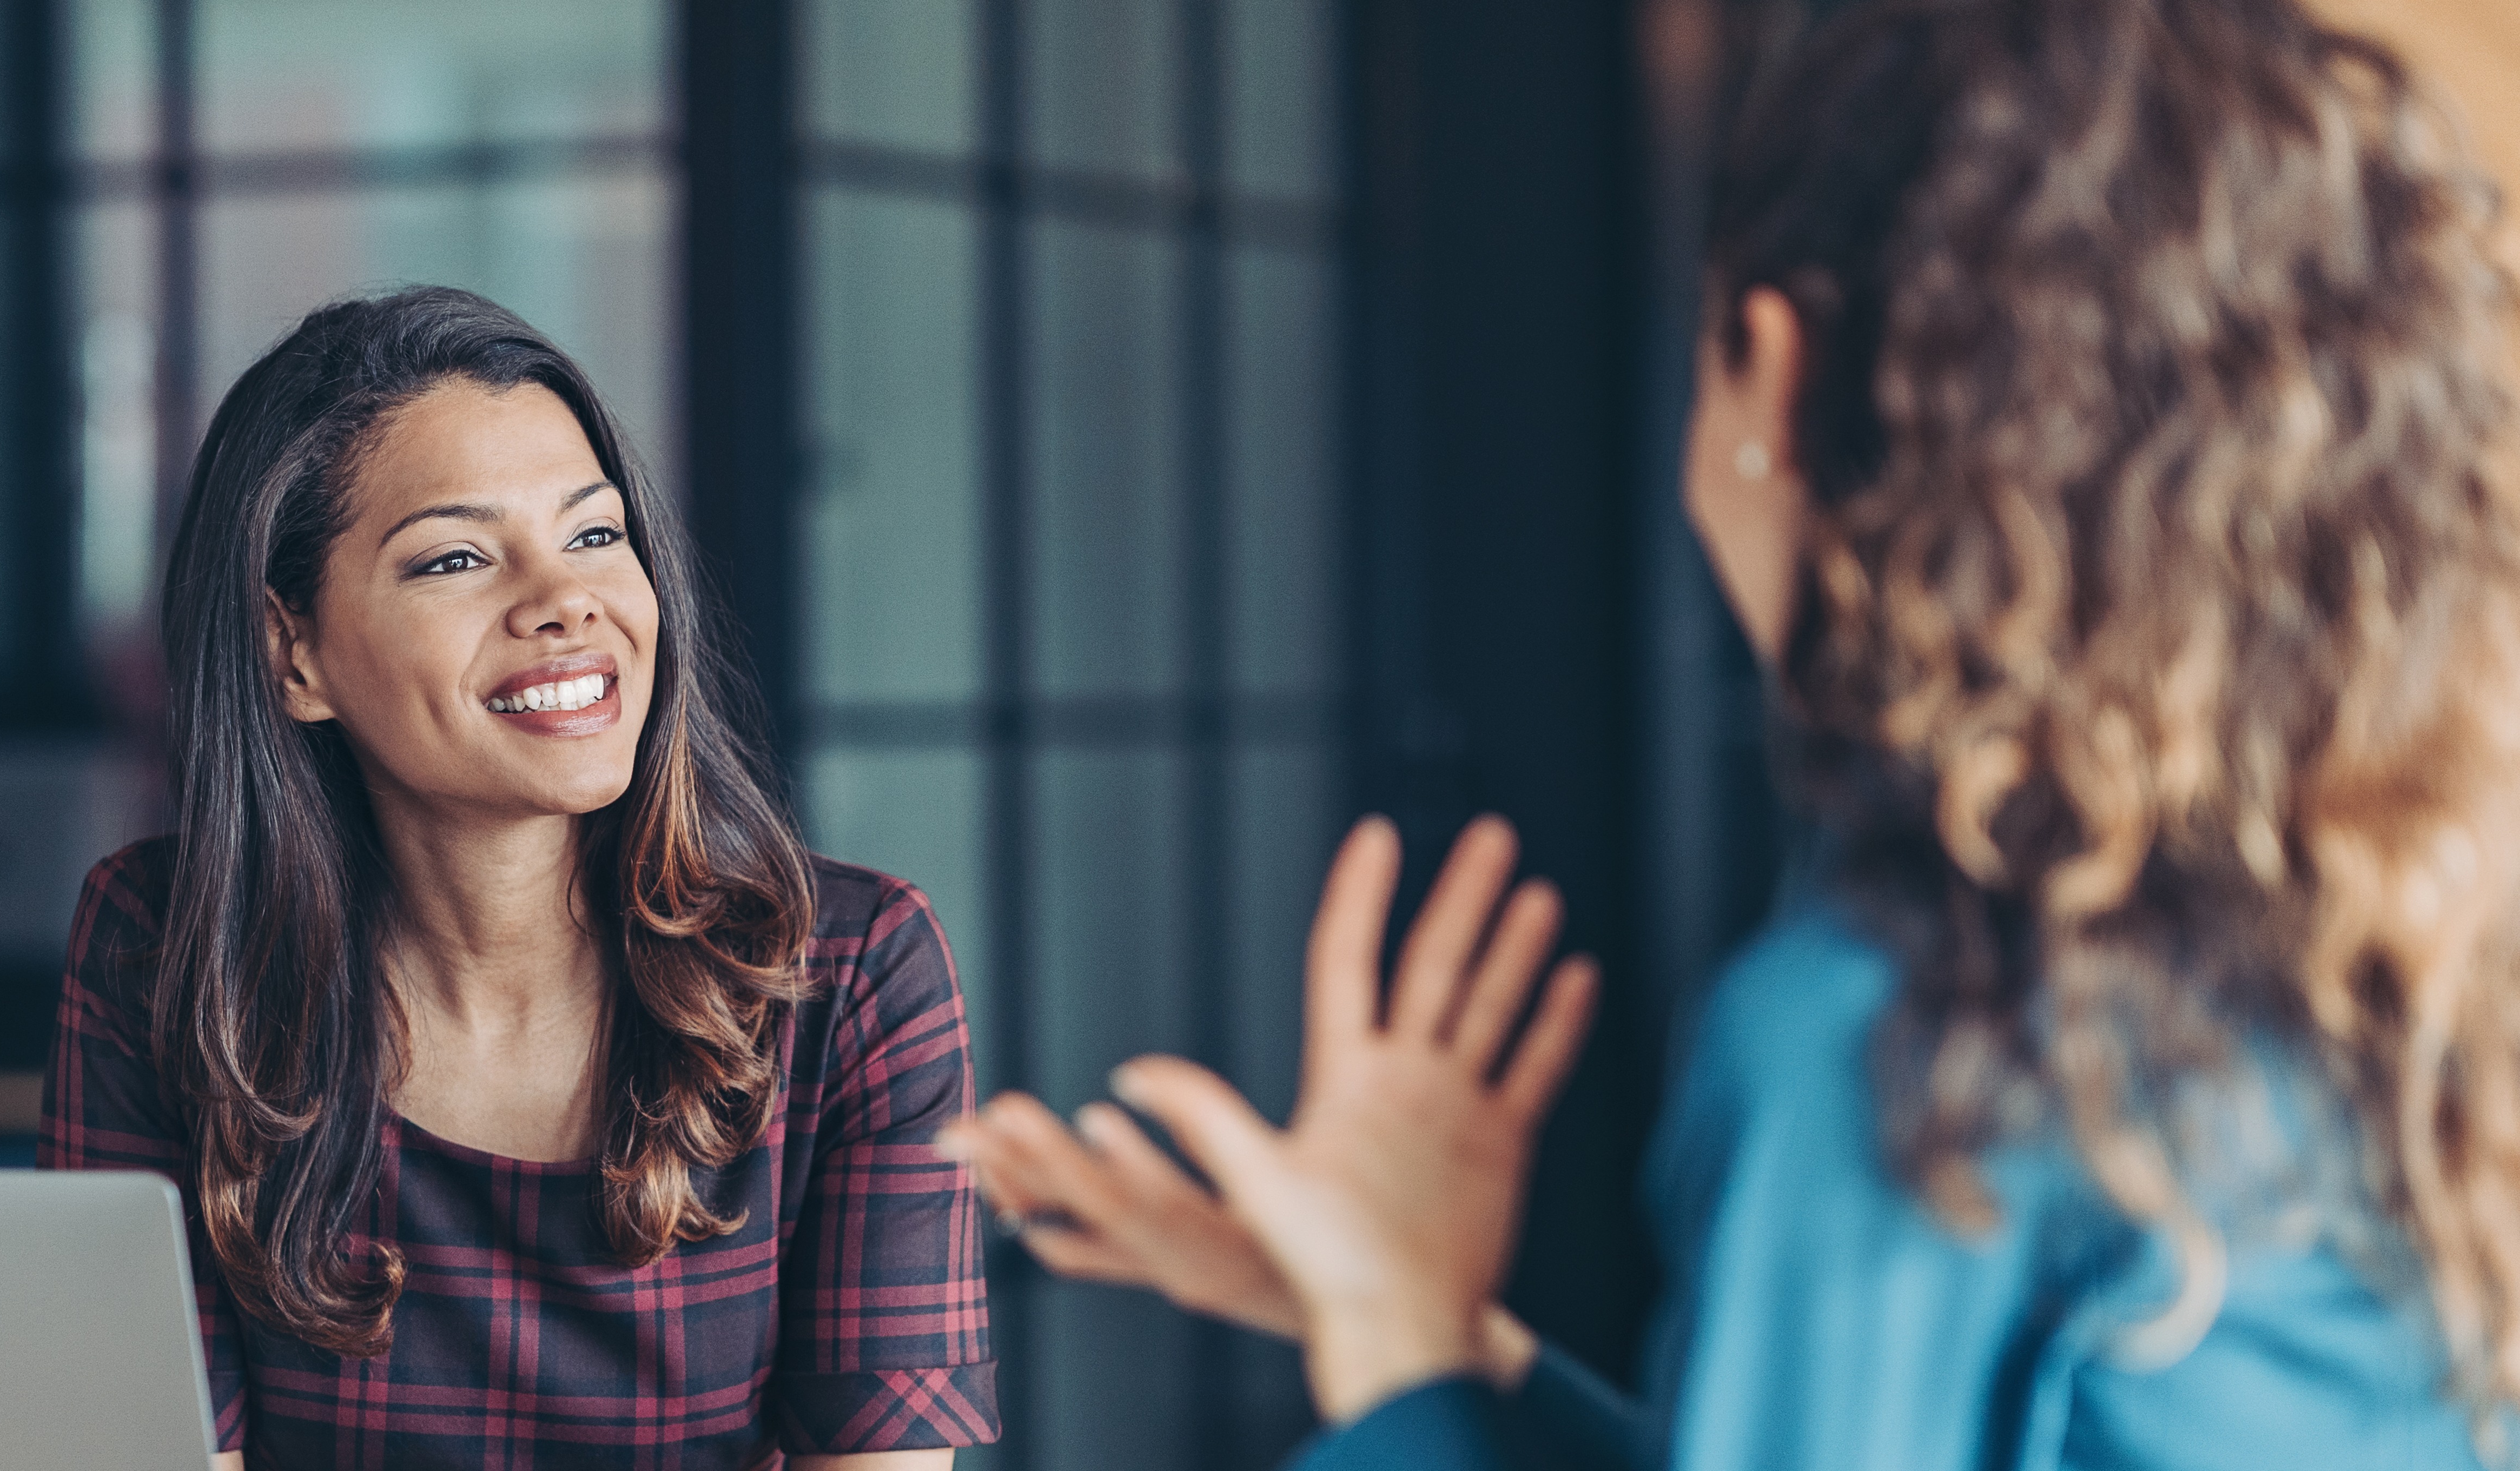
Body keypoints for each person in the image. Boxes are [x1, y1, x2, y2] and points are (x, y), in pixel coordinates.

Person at [952, 0, 2520, 1465]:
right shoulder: (2392, 949)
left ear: (1770, 370)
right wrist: (1433, 1342)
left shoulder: (1918, 1040)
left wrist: (1399, 1368)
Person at [38, 288, 997, 1470]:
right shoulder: (166, 949)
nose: (565, 603)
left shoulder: (850, 971)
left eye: (595, 535)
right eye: (456, 557)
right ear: (295, 654)